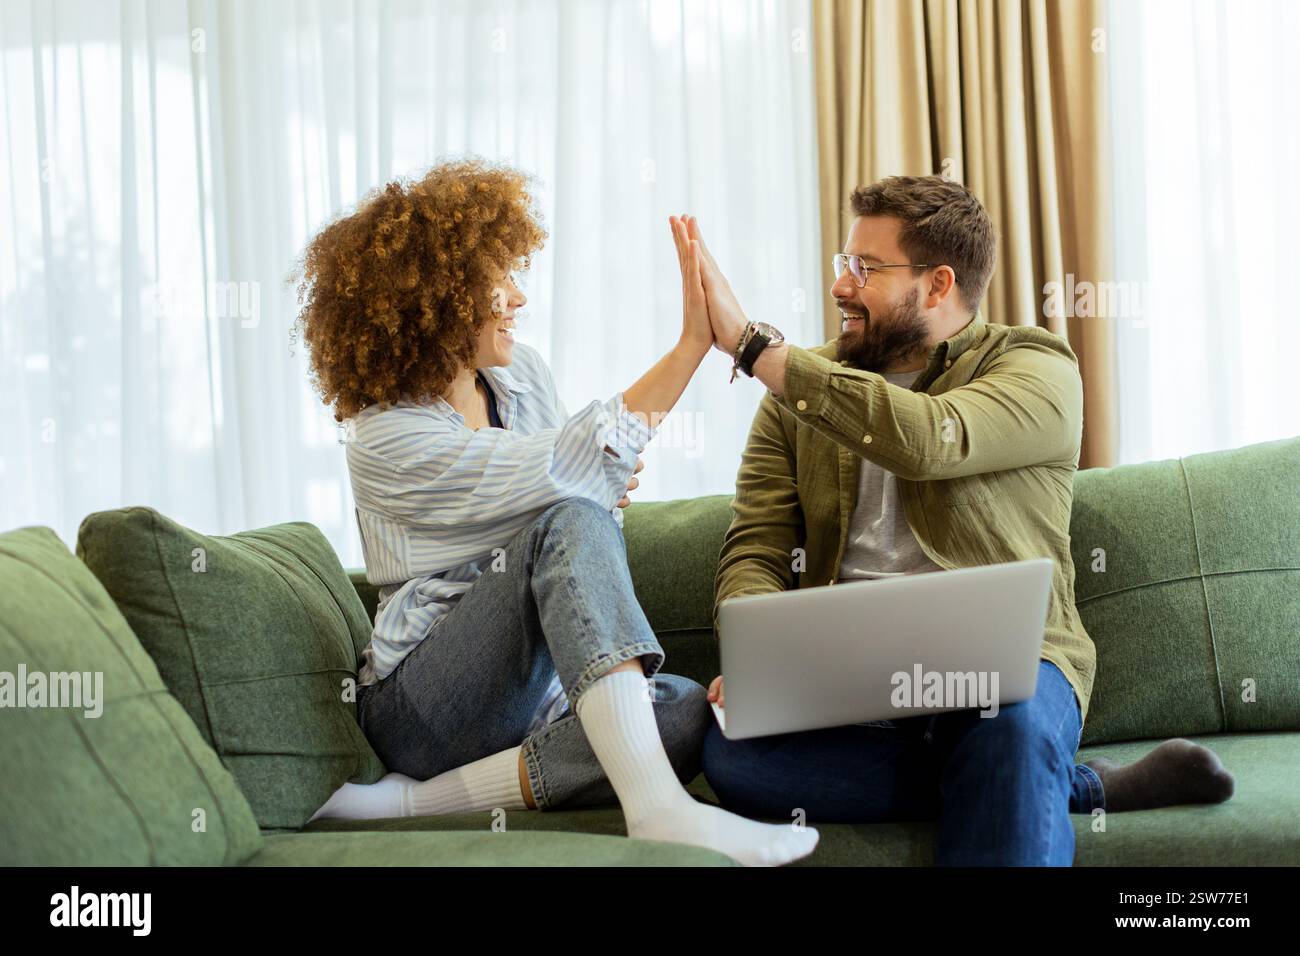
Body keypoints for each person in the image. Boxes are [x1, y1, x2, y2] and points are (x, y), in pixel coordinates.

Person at [678, 175, 1234, 866]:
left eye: (865, 269)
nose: (841, 286)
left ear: (938, 284)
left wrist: (758, 349)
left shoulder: (1034, 365)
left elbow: (928, 439)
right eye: (842, 264)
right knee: (735, 759)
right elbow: (757, 545)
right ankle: (1069, 785)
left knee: (1010, 729)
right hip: (847, 684)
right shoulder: (797, 388)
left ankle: (1022, 767)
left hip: (1005, 673)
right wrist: (756, 644)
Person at [292, 159, 817, 867]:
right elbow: (569, 479)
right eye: (495, 280)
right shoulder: (384, 435)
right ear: (436, 300)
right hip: (428, 702)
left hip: (535, 700)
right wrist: (693, 346)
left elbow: (585, 504)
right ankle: (660, 810)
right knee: (569, 522)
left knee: (682, 709)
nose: (516, 297)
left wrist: (584, 489)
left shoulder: (521, 372)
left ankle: (416, 800)